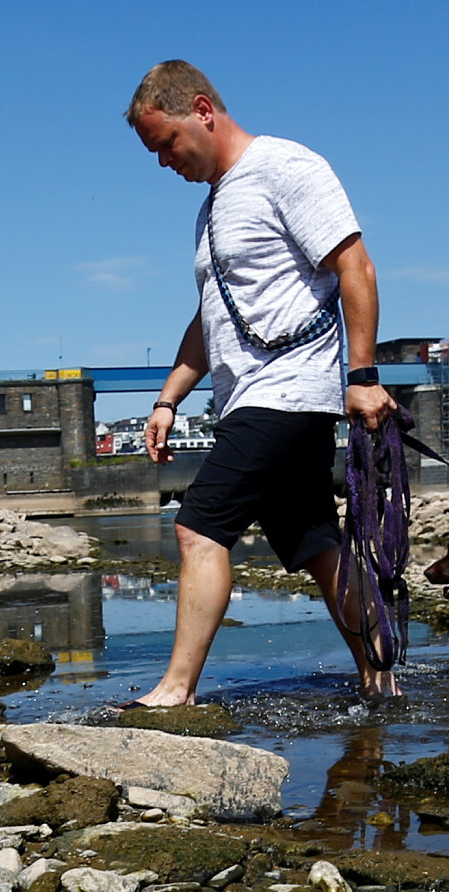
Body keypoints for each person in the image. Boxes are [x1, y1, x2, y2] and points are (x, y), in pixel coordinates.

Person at [123, 61, 397, 706]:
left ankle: (176, 689)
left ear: (202, 110)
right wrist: (168, 399)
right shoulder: (212, 207)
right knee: (316, 543)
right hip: (248, 395)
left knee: (198, 525)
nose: (163, 162)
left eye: (166, 143)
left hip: (289, 390)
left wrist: (362, 378)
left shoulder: (286, 168)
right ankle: (381, 678)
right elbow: (210, 317)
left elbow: (355, 266)